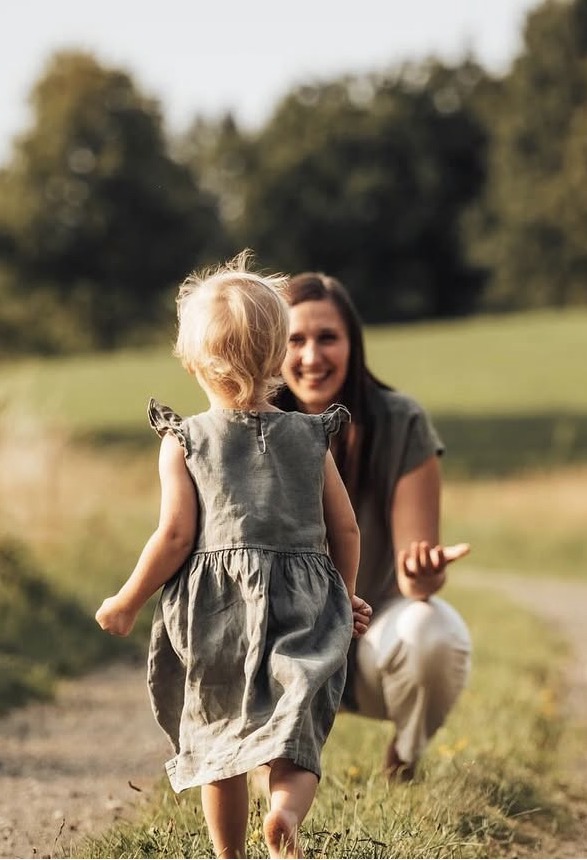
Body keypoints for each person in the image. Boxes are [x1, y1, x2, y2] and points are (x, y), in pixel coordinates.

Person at [95, 251, 372, 859]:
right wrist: (344, 596)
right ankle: (284, 812)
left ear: (194, 360)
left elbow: (172, 538)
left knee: (217, 737)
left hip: (215, 611)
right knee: (297, 725)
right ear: (279, 357)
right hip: (304, 601)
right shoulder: (312, 435)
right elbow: (345, 528)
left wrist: (126, 601)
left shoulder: (185, 441)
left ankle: (230, 855)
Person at [274, 271, 472, 781]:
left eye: (327, 338)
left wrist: (423, 574)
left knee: (435, 631)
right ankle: (263, 771)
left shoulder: (400, 421)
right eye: (295, 339)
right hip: (278, 641)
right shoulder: (251, 426)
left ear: (353, 345)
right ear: (274, 345)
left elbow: (413, 574)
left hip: (371, 641)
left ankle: (404, 756)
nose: (312, 356)